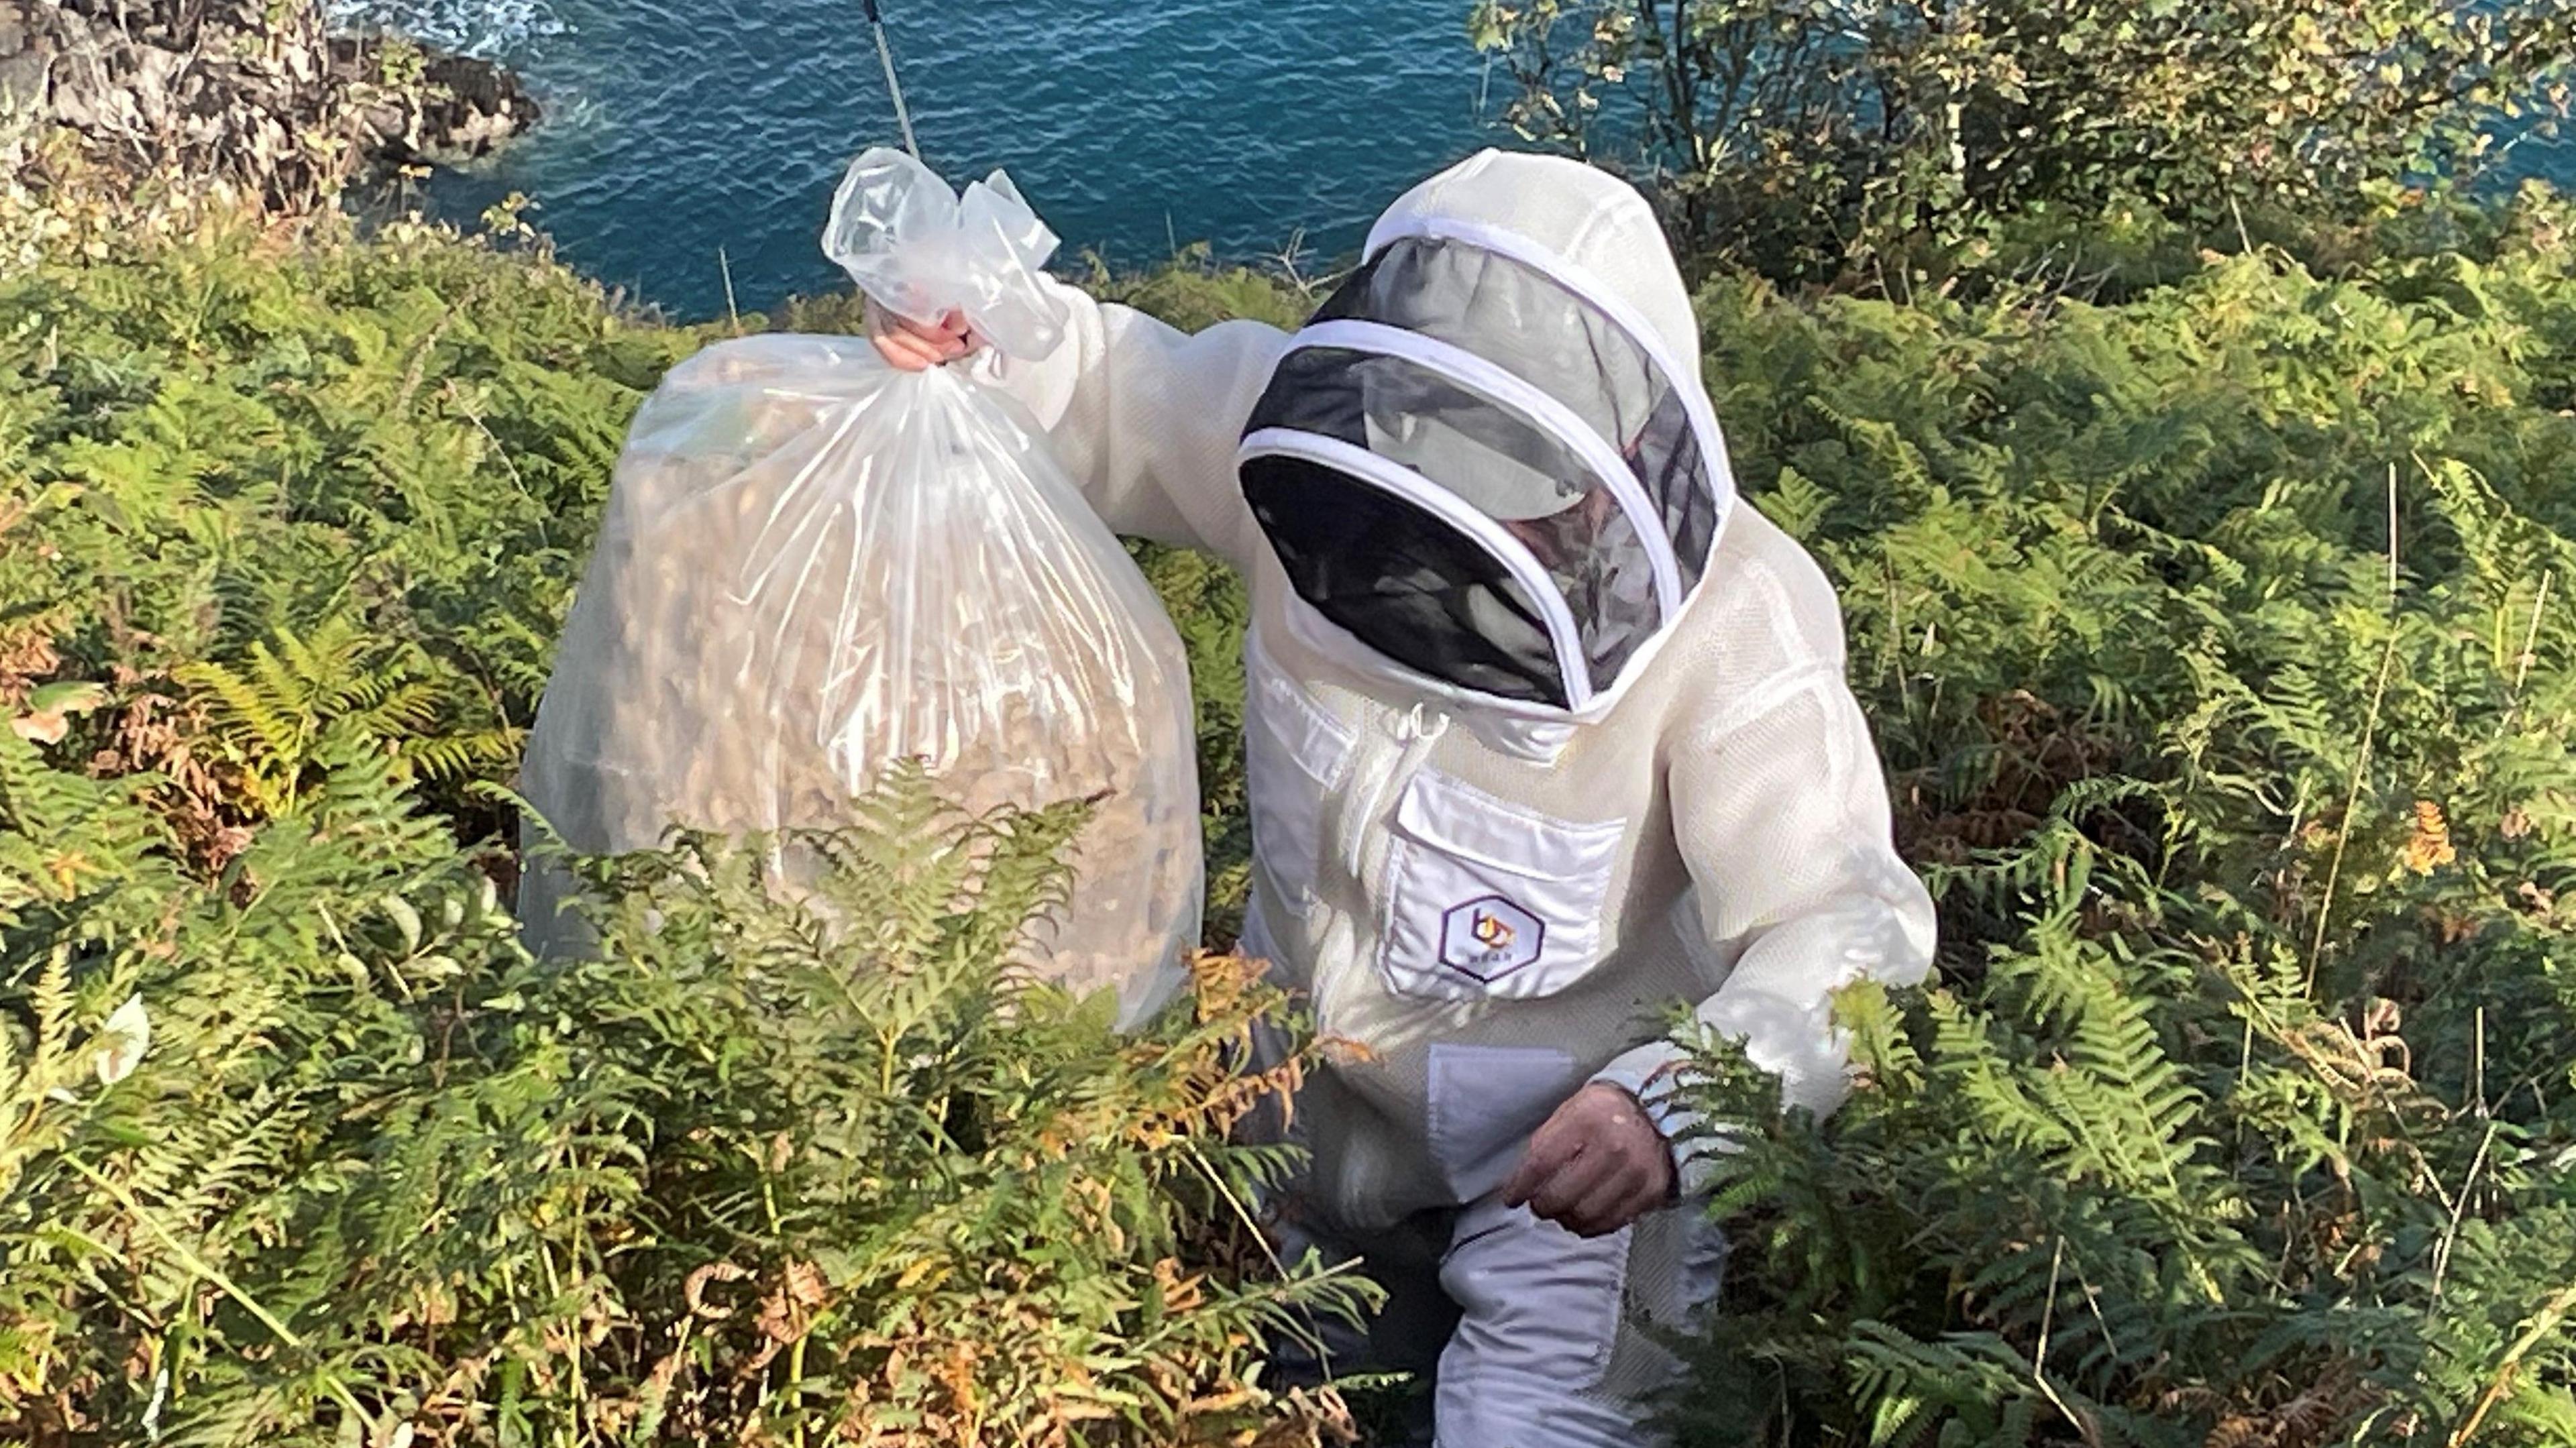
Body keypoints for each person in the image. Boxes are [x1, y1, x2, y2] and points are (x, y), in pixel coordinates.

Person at [871, 149, 1937, 1447]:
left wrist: (1679, 1106)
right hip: (1284, 1096)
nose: (1447, 546)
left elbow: (1853, 924)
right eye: (1429, 462)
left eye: (1520, 499)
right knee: (1184, 1377)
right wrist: (978, 341)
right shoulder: (1309, 451)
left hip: (1574, 1166)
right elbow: (1113, 393)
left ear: (1624, 463)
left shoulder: (1740, 625)